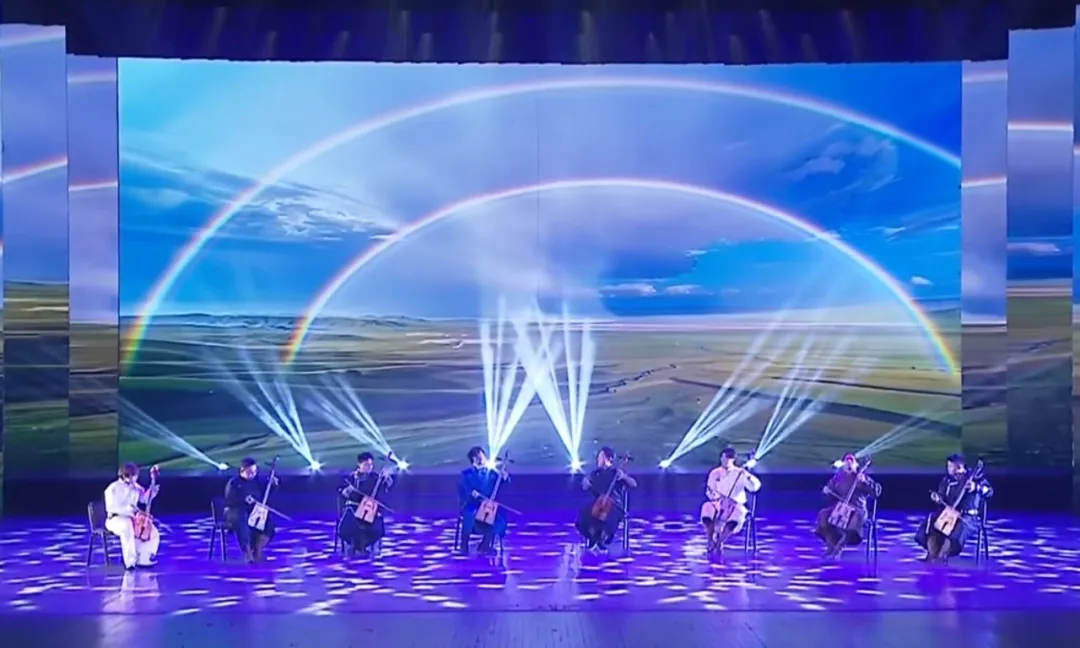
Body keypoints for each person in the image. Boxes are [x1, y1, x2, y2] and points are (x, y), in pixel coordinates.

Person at [915, 454, 992, 562]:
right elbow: (941, 495)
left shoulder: (975, 477)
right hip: (948, 514)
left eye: (950, 466)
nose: (948, 468)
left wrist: (976, 487)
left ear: (959, 466)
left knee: (957, 530)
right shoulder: (947, 480)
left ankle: (942, 556)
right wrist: (937, 497)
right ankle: (932, 555)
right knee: (931, 524)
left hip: (968, 516)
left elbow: (989, 492)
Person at [814, 453, 880, 558]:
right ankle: (831, 545)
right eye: (846, 461)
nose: (849, 464)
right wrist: (826, 491)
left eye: (851, 461)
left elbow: (876, 492)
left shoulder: (862, 477)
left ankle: (840, 547)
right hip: (840, 510)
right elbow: (828, 496)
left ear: (856, 465)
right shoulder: (837, 478)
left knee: (855, 518)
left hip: (858, 509)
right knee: (823, 515)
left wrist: (865, 482)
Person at [700, 448, 761, 554]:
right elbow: (710, 490)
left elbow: (754, 487)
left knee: (739, 513)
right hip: (718, 503)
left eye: (729, 458)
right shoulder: (715, 473)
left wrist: (748, 476)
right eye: (725, 458)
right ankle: (710, 539)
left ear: (733, 460)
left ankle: (719, 542)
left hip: (736, 505)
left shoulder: (740, 473)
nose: (727, 461)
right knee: (707, 507)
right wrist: (719, 498)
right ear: (721, 458)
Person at [576, 447, 637, 551]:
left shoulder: (616, 472)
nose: (598, 459)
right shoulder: (595, 473)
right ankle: (593, 538)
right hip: (598, 503)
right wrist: (585, 482)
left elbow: (633, 484)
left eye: (601, 457)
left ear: (609, 459)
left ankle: (602, 539)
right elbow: (585, 487)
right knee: (584, 515)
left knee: (610, 518)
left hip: (615, 504)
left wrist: (624, 477)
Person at [103, 462, 160, 570]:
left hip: (133, 519)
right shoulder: (113, 488)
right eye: (134, 476)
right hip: (115, 519)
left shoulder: (136, 487)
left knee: (152, 531)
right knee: (126, 526)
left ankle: (144, 558)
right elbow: (111, 507)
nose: (135, 478)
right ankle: (130, 562)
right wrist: (131, 511)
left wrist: (152, 492)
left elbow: (144, 499)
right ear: (126, 475)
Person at [338, 452, 394, 556]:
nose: (369, 467)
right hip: (353, 508)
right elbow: (343, 493)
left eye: (371, 465)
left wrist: (387, 478)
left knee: (375, 523)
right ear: (359, 464)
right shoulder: (352, 477)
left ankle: (365, 545)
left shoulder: (376, 477)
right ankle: (354, 544)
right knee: (351, 521)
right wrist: (348, 490)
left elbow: (386, 488)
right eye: (366, 465)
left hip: (370, 510)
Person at [224, 457, 279, 563]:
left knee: (269, 524)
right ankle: (248, 553)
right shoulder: (234, 483)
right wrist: (244, 500)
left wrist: (273, 485)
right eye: (250, 472)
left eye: (254, 471)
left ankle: (258, 550)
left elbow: (266, 494)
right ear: (242, 470)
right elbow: (230, 501)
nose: (253, 474)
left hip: (254, 512)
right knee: (242, 520)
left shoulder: (257, 481)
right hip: (237, 512)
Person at [458, 446, 510, 554]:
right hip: (473, 505)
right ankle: (464, 545)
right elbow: (464, 491)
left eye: (483, 456)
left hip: (489, 505)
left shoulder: (492, 473)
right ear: (474, 459)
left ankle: (485, 544)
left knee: (497, 518)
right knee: (470, 515)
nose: (483, 459)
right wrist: (472, 494)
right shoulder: (466, 474)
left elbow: (504, 484)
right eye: (480, 457)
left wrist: (505, 477)